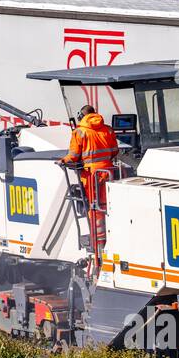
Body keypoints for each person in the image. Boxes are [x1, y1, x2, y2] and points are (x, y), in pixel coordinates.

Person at [59, 106, 119, 251]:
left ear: (81, 116)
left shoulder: (80, 131)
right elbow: (114, 150)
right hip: (108, 171)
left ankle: (98, 243)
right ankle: (111, 238)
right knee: (107, 205)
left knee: (94, 207)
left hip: (91, 174)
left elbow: (73, 156)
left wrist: (63, 161)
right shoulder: (108, 129)